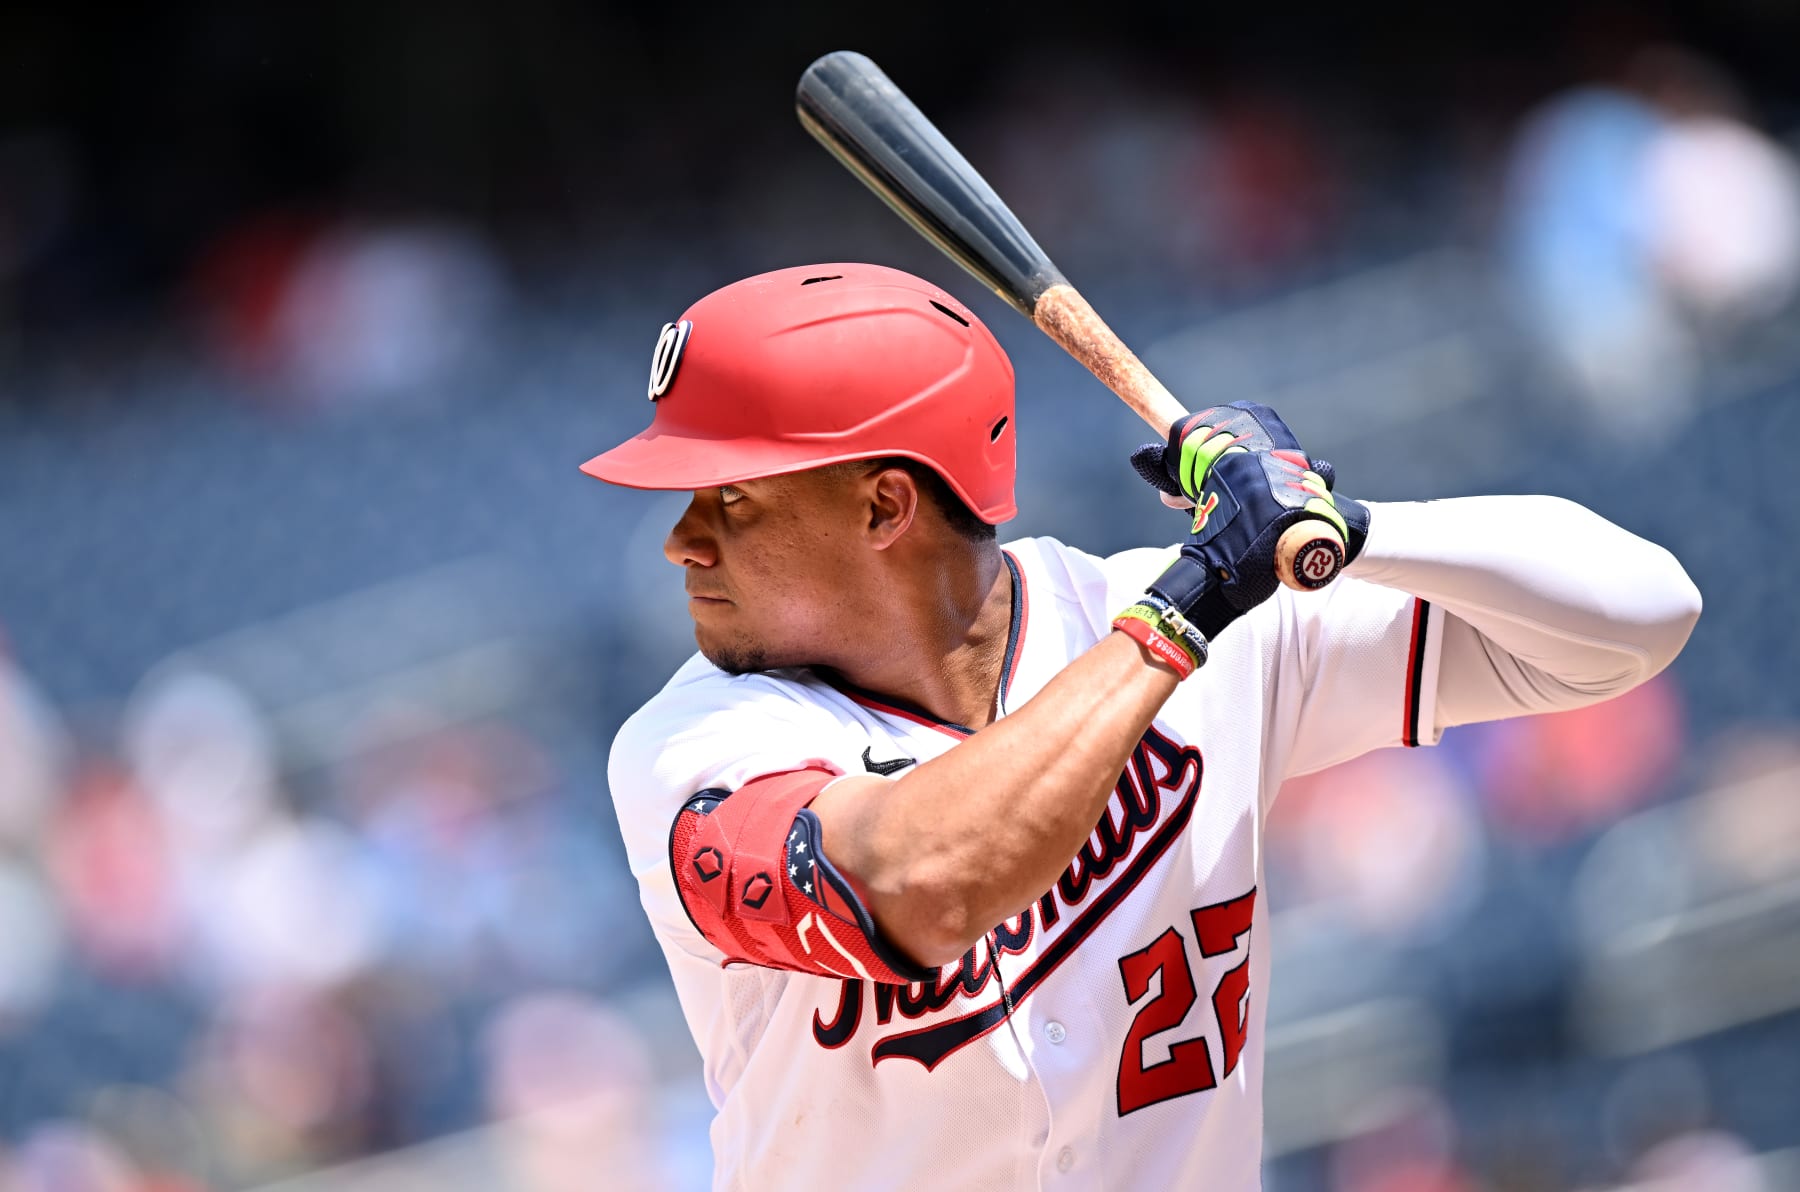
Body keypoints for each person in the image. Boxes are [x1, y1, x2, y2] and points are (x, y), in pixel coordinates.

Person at [583, 262, 1701, 1190]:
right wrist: (1190, 606)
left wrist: (1342, 525)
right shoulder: (693, 743)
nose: (683, 540)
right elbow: (916, 884)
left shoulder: (1200, 628)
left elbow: (1639, 616)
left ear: (885, 505)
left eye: (731, 499)